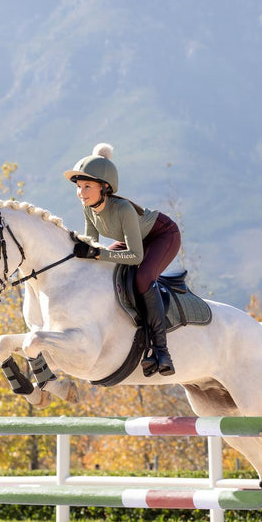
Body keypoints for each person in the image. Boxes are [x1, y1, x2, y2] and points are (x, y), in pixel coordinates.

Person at [64, 143, 181, 377]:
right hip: (133, 240)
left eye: (87, 186)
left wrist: (98, 254)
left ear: (104, 187)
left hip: (162, 236)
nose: (81, 192)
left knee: (142, 278)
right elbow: (93, 245)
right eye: (79, 187)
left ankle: (161, 351)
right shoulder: (88, 209)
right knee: (105, 267)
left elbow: (136, 255)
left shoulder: (123, 209)